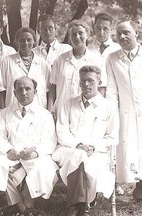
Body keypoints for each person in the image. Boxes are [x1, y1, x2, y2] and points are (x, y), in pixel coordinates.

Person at [52, 65, 119, 216]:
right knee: (78, 156)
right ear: (79, 82)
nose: (86, 84)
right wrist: (78, 145)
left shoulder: (108, 107)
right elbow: (61, 131)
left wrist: (93, 147)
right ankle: (83, 205)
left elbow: (112, 136)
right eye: (83, 81)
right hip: (68, 149)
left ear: (99, 82)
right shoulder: (68, 103)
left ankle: (75, 206)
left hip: (97, 152)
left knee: (85, 161)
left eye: (90, 80)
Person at [0, 76, 57, 215]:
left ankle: (23, 206)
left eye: (28, 89)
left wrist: (36, 152)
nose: (24, 92)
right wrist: (9, 150)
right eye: (20, 89)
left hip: (36, 155)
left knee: (40, 169)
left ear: (35, 91)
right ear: (14, 93)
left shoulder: (44, 115)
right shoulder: (5, 113)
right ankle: (24, 209)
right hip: (12, 154)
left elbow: (50, 140)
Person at [106, 19, 142, 200]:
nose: (121, 36)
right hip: (126, 110)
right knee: (131, 147)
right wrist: (112, 116)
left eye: (126, 32)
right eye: (118, 33)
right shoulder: (113, 58)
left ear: (136, 32)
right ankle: (137, 186)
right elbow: (111, 91)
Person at [48, 19, 104, 117]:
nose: (77, 37)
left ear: (88, 34)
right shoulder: (60, 59)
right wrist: (50, 108)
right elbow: (53, 87)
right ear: (70, 37)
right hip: (61, 111)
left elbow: (101, 88)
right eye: (73, 34)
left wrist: (98, 111)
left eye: (80, 33)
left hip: (86, 112)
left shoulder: (96, 60)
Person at [0, 27, 51, 110]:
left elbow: (48, 90)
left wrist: (49, 111)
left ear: (34, 42)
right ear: (17, 42)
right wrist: (2, 111)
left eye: (29, 40)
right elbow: (0, 89)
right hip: (13, 110)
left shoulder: (43, 63)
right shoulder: (7, 61)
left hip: (38, 111)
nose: (25, 43)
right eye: (22, 40)